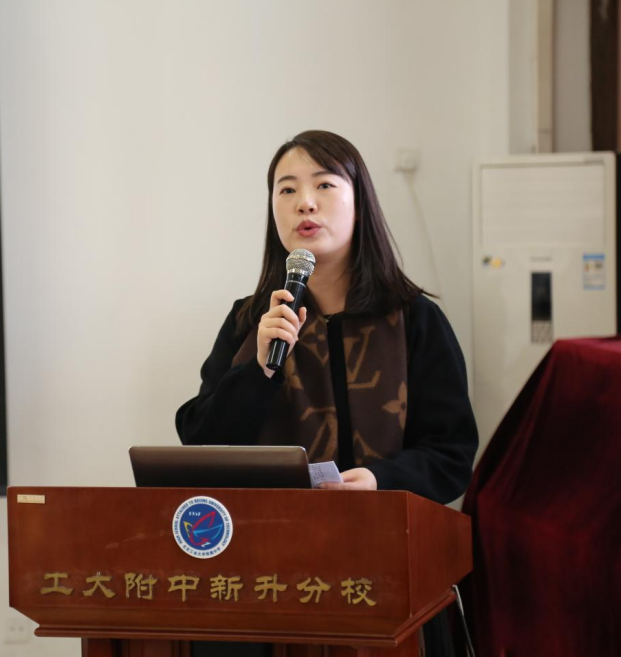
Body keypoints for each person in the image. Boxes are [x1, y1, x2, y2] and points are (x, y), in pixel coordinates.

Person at [175, 130, 478, 657]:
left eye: (324, 185)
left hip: (385, 567)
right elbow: (202, 443)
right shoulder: (251, 321)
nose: (305, 203)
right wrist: (258, 370)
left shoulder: (414, 320)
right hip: (265, 573)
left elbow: (451, 453)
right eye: (286, 189)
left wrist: (381, 480)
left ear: (360, 203)